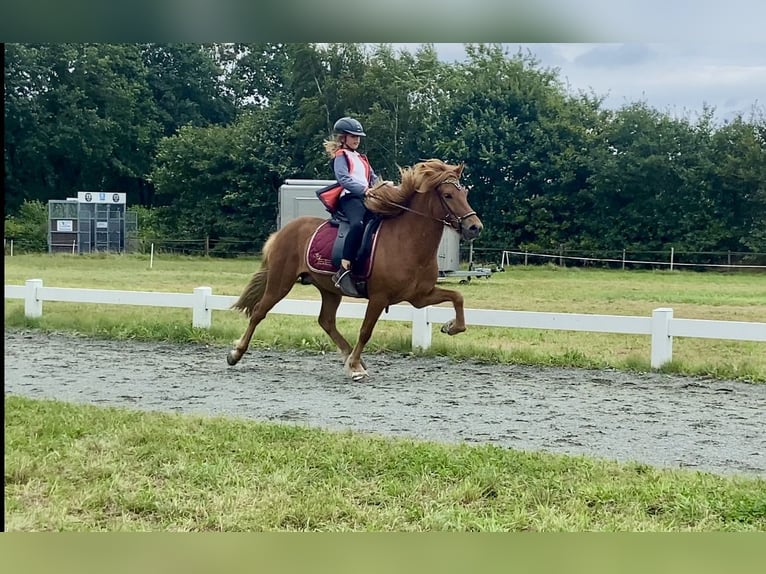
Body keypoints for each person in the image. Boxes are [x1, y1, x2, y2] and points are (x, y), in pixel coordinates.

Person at [323, 116, 378, 297]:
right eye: (353, 136)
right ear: (343, 138)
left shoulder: (362, 158)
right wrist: (365, 190)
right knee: (357, 225)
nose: (357, 139)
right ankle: (344, 267)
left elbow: (373, 178)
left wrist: (384, 188)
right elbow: (344, 179)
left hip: (366, 197)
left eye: (358, 136)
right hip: (350, 198)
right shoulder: (341, 156)